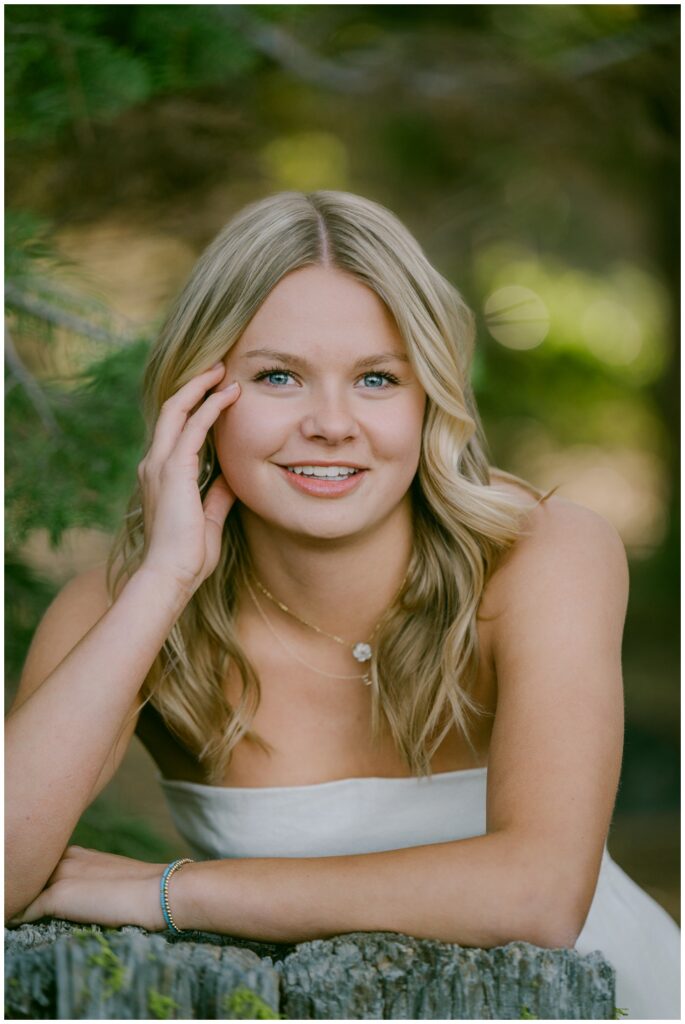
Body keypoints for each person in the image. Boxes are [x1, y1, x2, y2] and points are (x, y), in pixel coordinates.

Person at [5, 191, 680, 1019]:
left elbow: (535, 899)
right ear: (199, 396)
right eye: (278, 376)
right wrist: (163, 580)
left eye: (375, 378)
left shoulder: (542, 554)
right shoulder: (121, 607)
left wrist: (169, 893)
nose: (330, 423)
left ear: (428, 395)